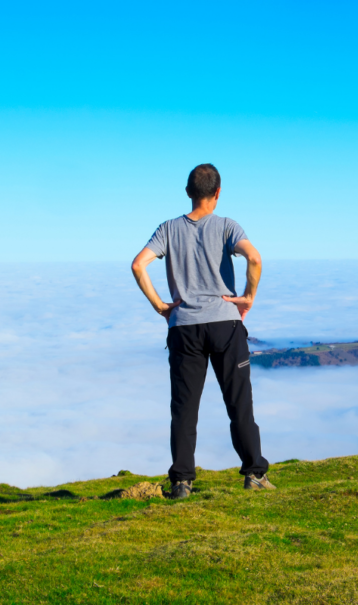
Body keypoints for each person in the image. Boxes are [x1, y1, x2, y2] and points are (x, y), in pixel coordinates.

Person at [131, 163, 274, 499]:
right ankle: (254, 474)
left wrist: (160, 306)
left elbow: (138, 264)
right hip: (226, 324)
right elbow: (254, 258)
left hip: (183, 328)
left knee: (184, 407)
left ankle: (181, 482)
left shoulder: (168, 229)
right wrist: (248, 297)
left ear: (188, 192)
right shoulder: (227, 227)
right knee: (239, 403)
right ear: (218, 193)